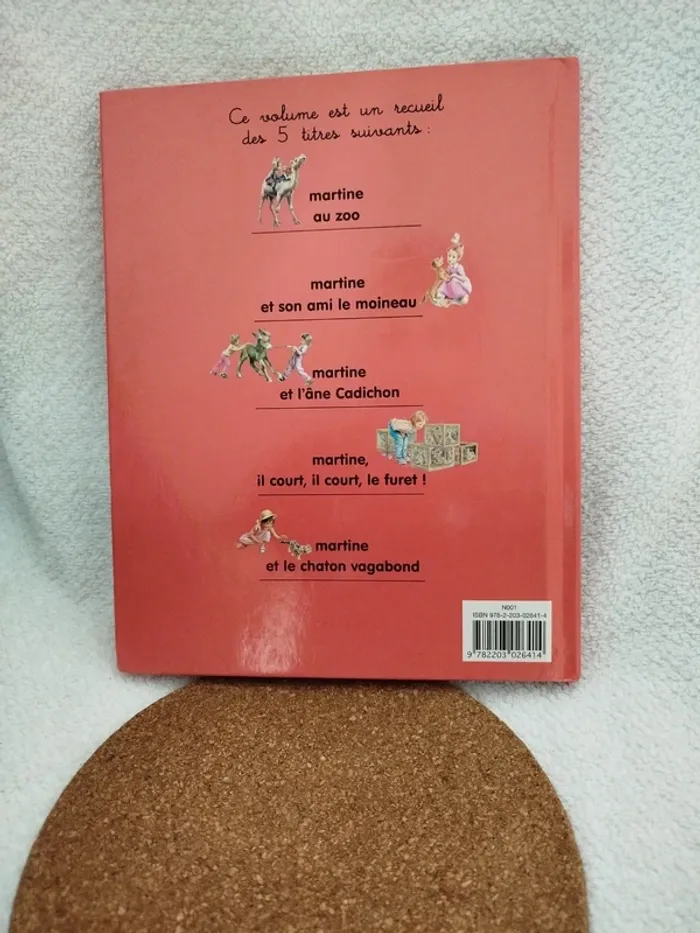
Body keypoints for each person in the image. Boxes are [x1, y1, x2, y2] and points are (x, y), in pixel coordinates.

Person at [437, 233, 472, 306]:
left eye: (453, 257)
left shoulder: (459, 267)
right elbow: (448, 274)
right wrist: (446, 276)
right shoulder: (449, 267)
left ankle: (458, 297)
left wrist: (455, 276)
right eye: (449, 256)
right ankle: (445, 296)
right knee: (444, 284)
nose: (450, 258)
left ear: (458, 258)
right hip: (451, 283)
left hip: (459, 283)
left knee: (454, 281)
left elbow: (463, 278)